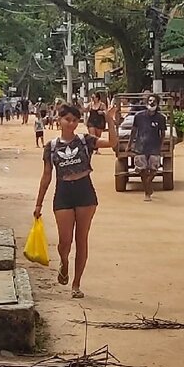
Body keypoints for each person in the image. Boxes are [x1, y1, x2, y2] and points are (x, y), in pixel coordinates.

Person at [33, 100, 118, 299]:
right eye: (67, 119)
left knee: (82, 239)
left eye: (74, 120)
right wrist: (38, 203)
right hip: (63, 193)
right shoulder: (51, 147)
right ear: (59, 120)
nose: (71, 123)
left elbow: (112, 143)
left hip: (85, 192)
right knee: (65, 241)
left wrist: (110, 122)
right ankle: (64, 261)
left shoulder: (85, 140)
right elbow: (47, 176)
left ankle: (76, 284)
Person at [129, 94, 167, 202]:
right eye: (150, 100)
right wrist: (129, 145)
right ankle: (147, 192)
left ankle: (148, 184)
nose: (151, 103)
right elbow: (133, 131)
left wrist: (161, 145)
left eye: (154, 101)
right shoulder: (138, 116)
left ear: (157, 104)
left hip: (154, 147)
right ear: (146, 102)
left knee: (154, 170)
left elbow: (163, 133)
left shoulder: (161, 118)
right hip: (140, 146)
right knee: (142, 171)